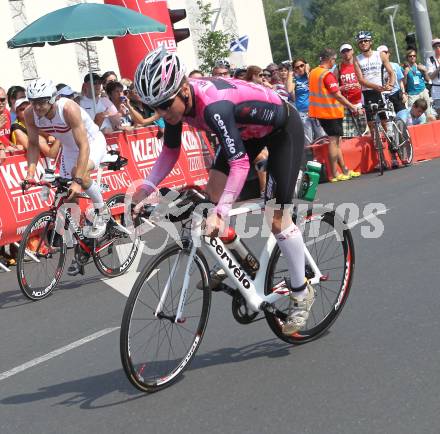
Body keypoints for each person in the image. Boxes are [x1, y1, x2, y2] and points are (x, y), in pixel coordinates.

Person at [133, 47, 314, 335]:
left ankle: (301, 291)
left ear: (182, 90)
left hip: (280, 130)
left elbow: (240, 164)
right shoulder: (174, 108)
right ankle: (241, 259)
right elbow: (170, 150)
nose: (162, 113)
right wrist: (146, 186)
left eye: (165, 105)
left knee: (276, 217)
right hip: (245, 132)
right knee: (209, 198)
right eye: (154, 107)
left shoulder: (212, 106)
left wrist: (222, 212)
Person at [23, 78, 109, 276]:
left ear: (53, 98)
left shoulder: (68, 108)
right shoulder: (30, 114)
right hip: (70, 150)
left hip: (91, 143)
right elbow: (34, 145)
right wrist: (29, 174)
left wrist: (78, 181)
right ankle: (84, 246)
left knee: (77, 176)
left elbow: (84, 146)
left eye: (41, 101)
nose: (37, 106)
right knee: (67, 199)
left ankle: (102, 211)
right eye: (33, 101)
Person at [309, 48, 361, 182]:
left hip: (321, 112)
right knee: (334, 142)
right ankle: (334, 173)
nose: (334, 62)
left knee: (337, 142)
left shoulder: (314, 72)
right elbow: (336, 94)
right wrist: (352, 106)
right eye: (333, 59)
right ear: (329, 59)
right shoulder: (327, 74)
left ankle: (344, 169)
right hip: (330, 112)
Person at [334, 44, 367, 137]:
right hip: (346, 105)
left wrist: (360, 84)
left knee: (365, 131)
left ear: (352, 51)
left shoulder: (359, 64)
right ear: (341, 54)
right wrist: (342, 88)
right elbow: (333, 88)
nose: (346, 53)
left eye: (348, 50)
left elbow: (368, 80)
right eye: (343, 52)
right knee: (347, 134)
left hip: (361, 102)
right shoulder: (338, 68)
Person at [292, 57, 325, 147]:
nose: (300, 69)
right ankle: (312, 159)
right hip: (303, 113)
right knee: (308, 140)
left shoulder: (312, 75)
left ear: (306, 65)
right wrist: (290, 74)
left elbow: (317, 86)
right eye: (297, 67)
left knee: (323, 137)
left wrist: (307, 72)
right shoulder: (295, 80)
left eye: (302, 66)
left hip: (316, 110)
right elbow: (289, 89)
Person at [403, 49, 434, 121]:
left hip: (423, 91)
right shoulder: (405, 68)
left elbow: (428, 80)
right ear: (407, 58)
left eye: (414, 56)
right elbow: (404, 84)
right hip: (413, 94)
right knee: (413, 114)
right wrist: (405, 74)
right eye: (410, 56)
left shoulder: (419, 66)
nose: (412, 57)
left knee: (428, 112)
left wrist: (425, 71)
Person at [427, 38, 440, 118]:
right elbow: (431, 76)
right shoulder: (430, 60)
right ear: (433, 49)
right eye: (436, 47)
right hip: (437, 90)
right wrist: (438, 68)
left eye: (439, 46)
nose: (438, 48)